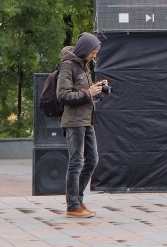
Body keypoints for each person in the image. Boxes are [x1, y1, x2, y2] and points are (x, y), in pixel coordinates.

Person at [56, 32, 108, 218]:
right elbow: (63, 96)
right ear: (85, 49)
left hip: (87, 119)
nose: (94, 56)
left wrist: (97, 89)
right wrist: (88, 92)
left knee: (92, 160)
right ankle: (72, 205)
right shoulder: (68, 66)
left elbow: (85, 92)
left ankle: (78, 199)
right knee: (76, 161)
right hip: (74, 121)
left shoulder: (85, 66)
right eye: (93, 52)